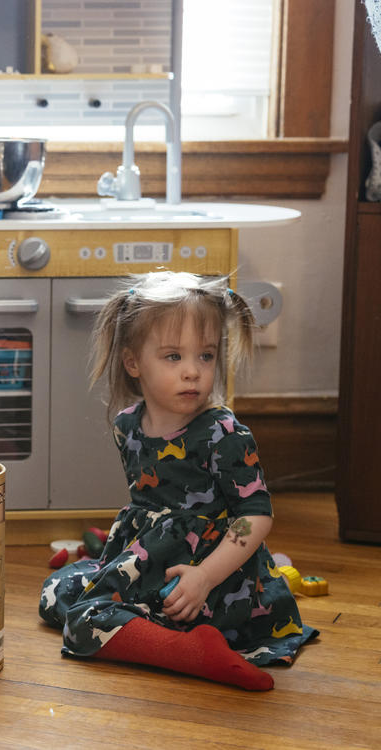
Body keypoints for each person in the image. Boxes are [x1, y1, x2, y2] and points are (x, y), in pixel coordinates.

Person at [38, 271, 317, 691]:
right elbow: (151, 507)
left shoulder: (224, 433)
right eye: (173, 357)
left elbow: (255, 516)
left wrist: (204, 577)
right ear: (133, 363)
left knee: (83, 623)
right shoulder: (127, 426)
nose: (192, 372)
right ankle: (174, 641)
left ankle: (191, 652)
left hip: (207, 578)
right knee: (55, 593)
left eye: (205, 356)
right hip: (152, 558)